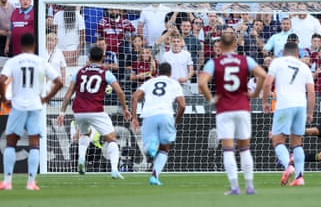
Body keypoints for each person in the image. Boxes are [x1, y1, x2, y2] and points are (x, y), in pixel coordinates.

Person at [198, 26, 266, 195]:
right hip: (243, 107)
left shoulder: (214, 62)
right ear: (236, 45)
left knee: (228, 149)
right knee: (245, 148)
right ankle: (250, 186)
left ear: (219, 45)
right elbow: (263, 75)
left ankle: (235, 187)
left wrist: (211, 99)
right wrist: (254, 94)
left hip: (224, 109)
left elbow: (201, 83)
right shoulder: (246, 60)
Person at [56, 46, 131, 179]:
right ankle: (114, 169)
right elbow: (119, 92)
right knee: (111, 139)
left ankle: (81, 159)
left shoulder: (79, 72)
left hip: (78, 111)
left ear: (89, 58)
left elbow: (69, 93)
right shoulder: (105, 73)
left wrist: (62, 112)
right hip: (96, 110)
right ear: (103, 58)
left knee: (85, 133)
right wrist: (125, 109)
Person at [0, 33, 63, 190]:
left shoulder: (13, 61)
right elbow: (59, 82)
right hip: (35, 105)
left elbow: (1, 80)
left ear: (20, 46)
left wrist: (3, 99)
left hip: (18, 105)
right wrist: (46, 98)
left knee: (10, 143)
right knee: (34, 143)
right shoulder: (40, 62)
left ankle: (7, 182)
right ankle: (31, 182)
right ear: (34, 46)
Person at [262, 41, 315, 186]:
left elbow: (267, 84)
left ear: (283, 52)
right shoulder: (304, 67)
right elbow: (311, 91)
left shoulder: (277, 62)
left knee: (278, 140)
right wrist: (310, 112)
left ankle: (288, 167)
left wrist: (265, 102)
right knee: (297, 143)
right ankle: (299, 177)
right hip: (301, 106)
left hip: (284, 104)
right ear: (298, 53)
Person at [131, 62, 186, 186]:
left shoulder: (149, 82)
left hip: (149, 115)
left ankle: (151, 148)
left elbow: (135, 97)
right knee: (165, 148)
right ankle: (154, 176)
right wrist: (176, 120)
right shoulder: (174, 83)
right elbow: (182, 105)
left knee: (147, 147)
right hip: (166, 115)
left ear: (157, 72)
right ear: (170, 73)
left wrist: (134, 118)